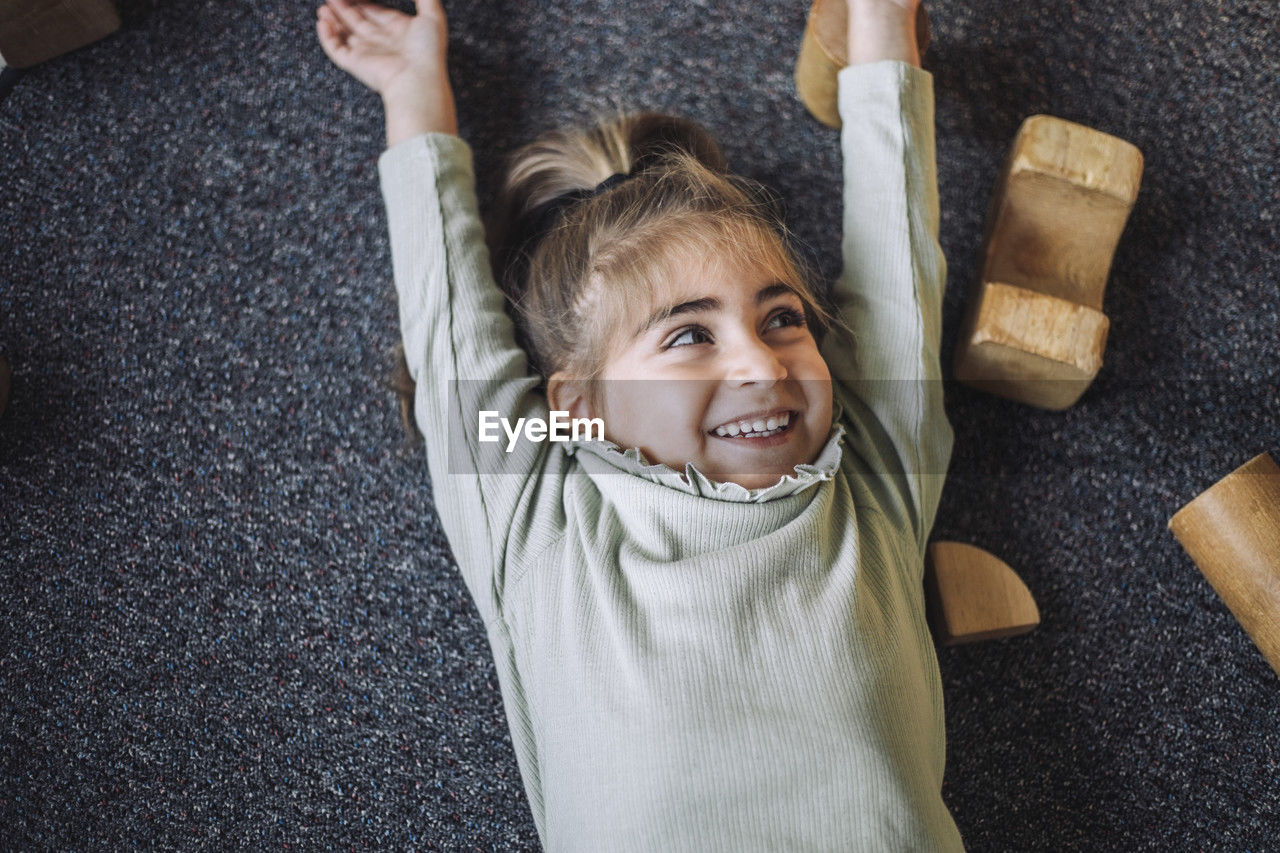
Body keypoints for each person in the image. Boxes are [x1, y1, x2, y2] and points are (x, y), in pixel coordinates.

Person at [317, 0, 960, 848]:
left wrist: (880, 24)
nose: (763, 366)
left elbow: (896, 274)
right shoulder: (537, 516)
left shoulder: (871, 477)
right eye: (690, 335)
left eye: (781, 320)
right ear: (579, 406)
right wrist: (414, 96)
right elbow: (454, 338)